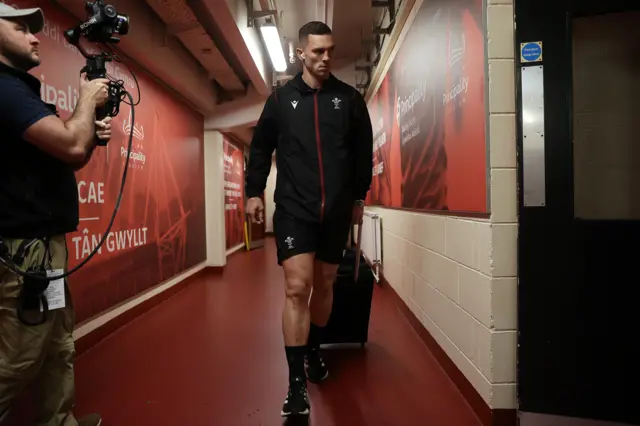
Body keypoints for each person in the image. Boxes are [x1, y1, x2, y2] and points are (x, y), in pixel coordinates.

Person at [245, 21, 374, 417]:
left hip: (335, 211)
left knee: (323, 286)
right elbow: (260, 148)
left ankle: (314, 350)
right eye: (317, 51)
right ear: (300, 53)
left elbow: (362, 153)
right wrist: (253, 191)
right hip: (295, 210)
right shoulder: (281, 101)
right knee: (297, 287)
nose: (325, 58)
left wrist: (357, 197)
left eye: (329, 50)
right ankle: (295, 384)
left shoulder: (349, 100)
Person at [0, 4, 112, 426]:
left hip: (46, 248)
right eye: (20, 28)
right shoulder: (3, 89)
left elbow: (71, 154)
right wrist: (85, 101)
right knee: (19, 360)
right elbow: (68, 145)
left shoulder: (21, 90)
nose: (34, 36)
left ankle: (59, 421)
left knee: (56, 346)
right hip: (24, 253)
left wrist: (85, 133)